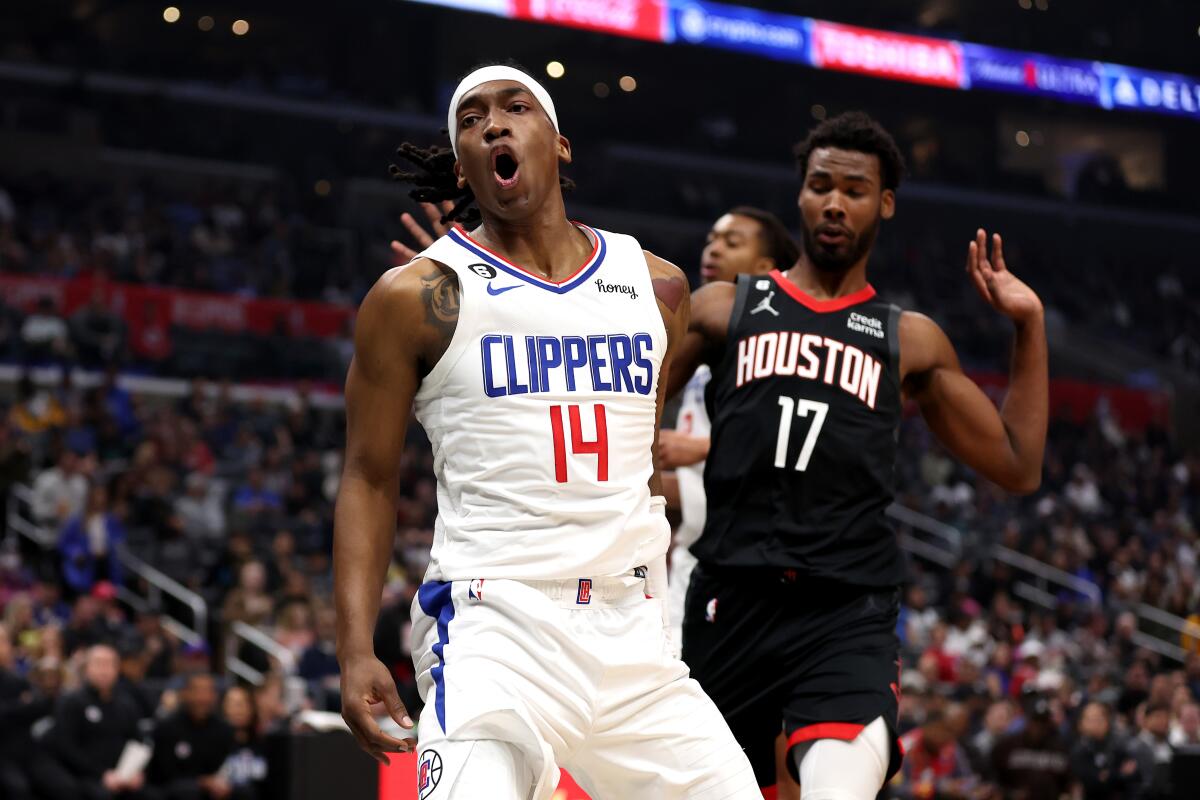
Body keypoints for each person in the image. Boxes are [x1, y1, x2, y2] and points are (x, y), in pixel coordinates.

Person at [334, 63, 759, 799]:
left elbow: (640, 449)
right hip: (495, 625)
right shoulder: (417, 297)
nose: (492, 124)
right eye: (470, 119)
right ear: (464, 164)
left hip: (635, 636)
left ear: (559, 143)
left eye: (514, 107)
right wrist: (353, 648)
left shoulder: (657, 286)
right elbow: (367, 476)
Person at [668, 111, 1048, 797]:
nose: (836, 202)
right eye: (821, 186)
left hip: (844, 615)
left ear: (885, 203)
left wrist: (1028, 327)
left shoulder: (913, 340)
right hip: (730, 602)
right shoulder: (725, 308)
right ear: (801, 195)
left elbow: (1018, 463)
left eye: (855, 188)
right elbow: (618, 411)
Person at [32, 643, 151, 800]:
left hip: (121, 774)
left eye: (110, 664)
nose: (104, 670)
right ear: (86, 668)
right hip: (83, 775)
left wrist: (135, 772)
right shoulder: (71, 701)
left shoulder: (126, 703)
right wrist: (102, 774)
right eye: (99, 663)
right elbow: (67, 747)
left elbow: (137, 741)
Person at [148, 673, 237, 800]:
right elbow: (163, 774)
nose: (202, 698)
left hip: (215, 787)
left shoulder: (224, 729)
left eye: (208, 691)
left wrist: (220, 783)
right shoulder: (166, 728)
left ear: (215, 696)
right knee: (187, 791)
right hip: (175, 788)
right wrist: (202, 782)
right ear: (185, 694)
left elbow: (228, 765)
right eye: (197, 691)